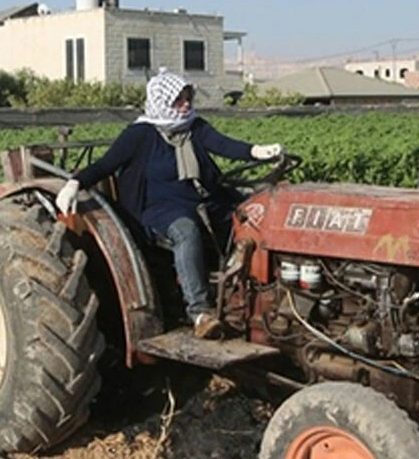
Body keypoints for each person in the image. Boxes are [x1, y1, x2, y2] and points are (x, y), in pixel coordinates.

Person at [56, 70, 284, 338]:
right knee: (186, 230)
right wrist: (75, 183)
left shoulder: (195, 127)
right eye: (178, 100)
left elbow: (224, 145)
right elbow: (106, 164)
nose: (186, 105)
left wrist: (256, 151)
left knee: (253, 216)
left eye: (188, 98)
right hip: (158, 208)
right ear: (162, 101)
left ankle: (259, 292)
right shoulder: (140, 134)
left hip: (203, 200)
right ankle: (200, 312)